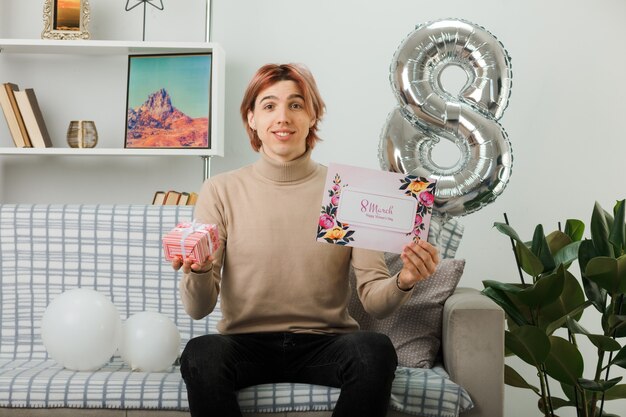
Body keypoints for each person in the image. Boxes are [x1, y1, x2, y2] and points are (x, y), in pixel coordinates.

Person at [173, 63, 440, 417]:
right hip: (244, 344)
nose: (282, 117)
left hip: (326, 345)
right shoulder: (221, 190)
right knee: (200, 353)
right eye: (269, 106)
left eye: (296, 105)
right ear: (251, 118)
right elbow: (198, 309)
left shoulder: (345, 191)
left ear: (313, 115)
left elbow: (375, 302)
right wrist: (200, 270)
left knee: (374, 349)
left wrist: (405, 280)